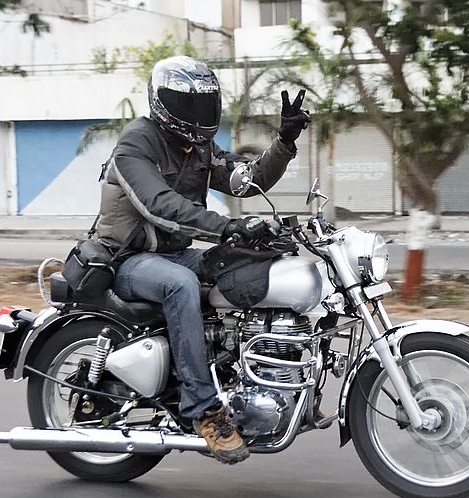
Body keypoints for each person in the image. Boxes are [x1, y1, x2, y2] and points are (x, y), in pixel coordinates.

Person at [95, 55, 310, 464]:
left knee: (250, 258)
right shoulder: (136, 143)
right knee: (181, 285)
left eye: (205, 103)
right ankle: (205, 412)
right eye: (188, 103)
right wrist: (226, 226)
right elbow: (159, 205)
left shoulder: (199, 147)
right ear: (163, 103)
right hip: (127, 260)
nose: (199, 113)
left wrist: (284, 143)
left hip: (174, 254)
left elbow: (245, 179)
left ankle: (244, 368)